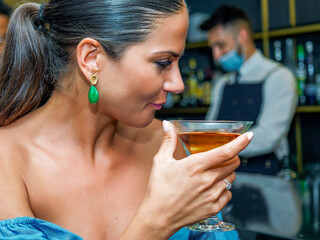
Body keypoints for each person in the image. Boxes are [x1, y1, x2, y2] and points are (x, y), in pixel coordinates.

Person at [0, 1, 253, 240]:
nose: (178, 84)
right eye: (163, 62)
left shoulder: (169, 147)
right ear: (91, 59)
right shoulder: (7, 159)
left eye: (178, 62)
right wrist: (158, 222)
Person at [200, 5, 297, 175]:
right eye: (212, 48)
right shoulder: (222, 83)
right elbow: (210, 127)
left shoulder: (278, 77)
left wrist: (215, 144)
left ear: (242, 36)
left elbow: (269, 137)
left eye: (221, 45)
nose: (216, 55)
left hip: (267, 177)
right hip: (224, 175)